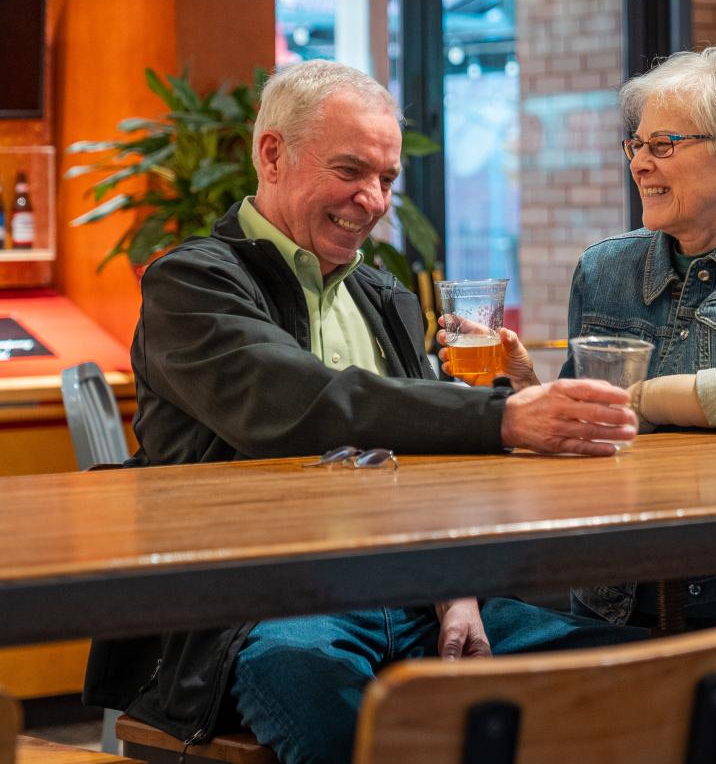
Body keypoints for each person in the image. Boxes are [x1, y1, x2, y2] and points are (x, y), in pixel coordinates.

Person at [84, 61, 642, 764]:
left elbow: (424, 473)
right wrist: (502, 417)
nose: (373, 200)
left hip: (411, 596)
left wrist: (457, 594)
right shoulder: (191, 283)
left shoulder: (384, 296)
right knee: (331, 696)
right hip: (261, 612)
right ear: (273, 154)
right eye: (352, 171)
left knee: (653, 674)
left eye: (387, 179)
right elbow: (304, 404)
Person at [445, 44, 716, 629]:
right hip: (611, 598)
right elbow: (581, 442)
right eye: (636, 145)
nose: (639, 164)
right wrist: (526, 383)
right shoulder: (605, 269)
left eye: (664, 145)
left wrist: (648, 400)